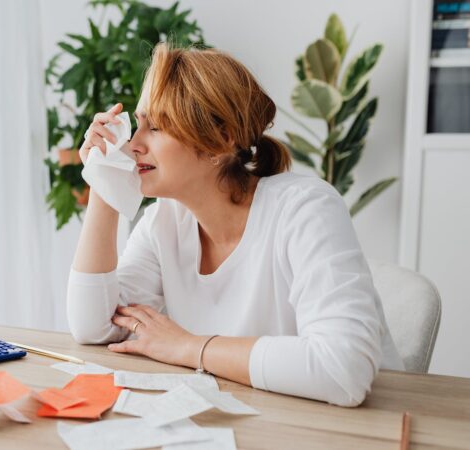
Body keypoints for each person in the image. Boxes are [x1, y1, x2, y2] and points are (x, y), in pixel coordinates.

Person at [67, 43, 403, 407]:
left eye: (158, 127)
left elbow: (343, 371)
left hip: (367, 430)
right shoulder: (163, 223)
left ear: (221, 141)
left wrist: (188, 347)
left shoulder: (306, 209)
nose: (132, 145)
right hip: (263, 420)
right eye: (139, 124)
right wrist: (103, 181)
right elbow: (95, 327)